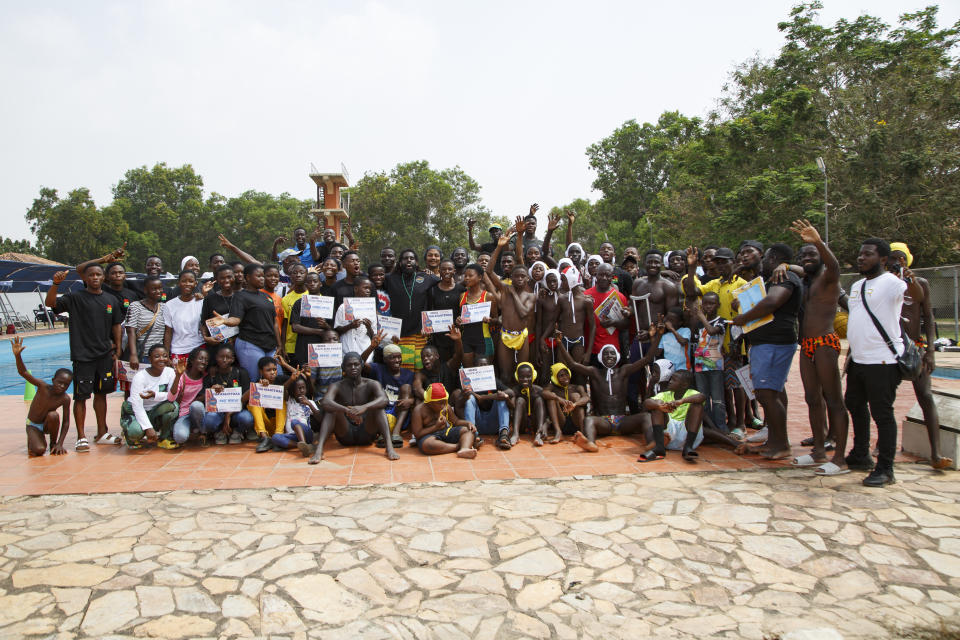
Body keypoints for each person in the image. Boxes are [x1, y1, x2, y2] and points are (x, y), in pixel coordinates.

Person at [845, 238, 924, 487]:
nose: (861, 258)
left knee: (882, 413)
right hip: (859, 360)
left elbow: (915, 296)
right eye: (860, 254)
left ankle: (886, 468)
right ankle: (861, 454)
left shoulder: (892, 283)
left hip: (883, 361)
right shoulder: (857, 285)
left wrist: (909, 279)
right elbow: (858, 318)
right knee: (854, 403)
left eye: (867, 254)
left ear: (882, 259)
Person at [784, 219, 850, 475]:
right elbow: (800, 270)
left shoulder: (829, 279)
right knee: (812, 398)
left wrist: (818, 242)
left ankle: (841, 458)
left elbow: (833, 264)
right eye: (803, 255)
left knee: (834, 399)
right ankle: (819, 450)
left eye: (811, 254)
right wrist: (787, 264)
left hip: (824, 343)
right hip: (807, 345)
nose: (807, 258)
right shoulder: (806, 282)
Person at [731, 243, 802, 461]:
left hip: (774, 342)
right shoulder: (769, 279)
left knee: (766, 393)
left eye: (768, 258)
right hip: (764, 342)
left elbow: (772, 302)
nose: (765, 263)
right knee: (771, 391)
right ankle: (774, 440)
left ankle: (781, 444)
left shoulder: (785, 275)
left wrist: (744, 317)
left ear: (774, 259)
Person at [888, 242, 951, 470]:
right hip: (890, 348)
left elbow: (928, 319)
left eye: (900, 259)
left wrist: (931, 351)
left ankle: (936, 453)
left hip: (915, 347)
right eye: (892, 258)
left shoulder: (919, 284)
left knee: (925, 395)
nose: (897, 263)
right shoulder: (884, 284)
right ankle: (882, 446)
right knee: (885, 399)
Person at [46, 266, 122, 450]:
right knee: (81, 397)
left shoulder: (111, 299)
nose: (95, 277)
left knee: (102, 394)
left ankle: (102, 432)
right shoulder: (75, 298)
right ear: (85, 278)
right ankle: (81, 436)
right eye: (91, 275)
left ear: (104, 277)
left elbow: (117, 326)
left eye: (98, 274)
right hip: (83, 356)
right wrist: (56, 284)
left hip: (104, 355)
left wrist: (118, 350)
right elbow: (50, 303)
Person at [555, 325, 662, 452]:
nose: (609, 356)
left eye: (612, 353)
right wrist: (560, 343)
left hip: (622, 421)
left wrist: (658, 335)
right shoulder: (595, 372)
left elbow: (647, 359)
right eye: (606, 354)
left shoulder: (623, 371)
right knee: (589, 419)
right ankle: (590, 443)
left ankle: (652, 442)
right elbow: (573, 364)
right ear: (601, 357)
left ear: (617, 356)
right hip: (603, 422)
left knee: (645, 417)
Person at [309, 352, 400, 463]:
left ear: (362, 365)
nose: (353, 367)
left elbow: (384, 400)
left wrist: (364, 407)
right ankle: (319, 451)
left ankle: (389, 448)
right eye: (349, 365)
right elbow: (326, 402)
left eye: (356, 364)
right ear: (343, 367)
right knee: (331, 410)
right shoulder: (336, 385)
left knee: (378, 407)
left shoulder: (372, 384)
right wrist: (347, 410)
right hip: (345, 434)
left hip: (366, 433)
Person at [641, 370, 743, 461]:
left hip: (687, 434)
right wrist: (659, 405)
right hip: (669, 434)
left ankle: (688, 447)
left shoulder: (691, 393)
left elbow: (701, 397)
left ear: (684, 385)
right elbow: (646, 403)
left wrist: (681, 401)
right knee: (656, 407)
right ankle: (659, 447)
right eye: (671, 379)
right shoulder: (666, 394)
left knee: (697, 407)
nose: (670, 381)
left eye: (674, 380)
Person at [209, 264, 282, 384]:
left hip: (270, 345)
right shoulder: (240, 296)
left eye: (263, 276)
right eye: (258, 276)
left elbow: (274, 322)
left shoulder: (267, 297)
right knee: (256, 380)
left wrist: (279, 345)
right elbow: (236, 319)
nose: (262, 279)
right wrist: (224, 321)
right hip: (250, 343)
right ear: (247, 277)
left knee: (276, 378)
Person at [11, 337, 73, 457]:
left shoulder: (65, 399)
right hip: (33, 424)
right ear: (53, 380)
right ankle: (33, 438)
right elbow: (23, 372)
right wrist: (18, 356)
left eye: (66, 385)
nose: (62, 386)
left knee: (53, 415)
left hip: (47, 424)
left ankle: (53, 444)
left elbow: (66, 422)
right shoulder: (43, 387)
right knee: (39, 450)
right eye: (59, 382)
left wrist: (60, 443)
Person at [488, 234, 536, 384]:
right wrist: (499, 247)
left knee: (522, 374)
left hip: (521, 335)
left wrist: (514, 293)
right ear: (511, 277)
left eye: (523, 276)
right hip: (506, 336)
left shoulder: (531, 296)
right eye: (517, 276)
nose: (520, 279)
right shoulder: (504, 287)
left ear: (527, 279)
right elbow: (489, 271)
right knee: (505, 375)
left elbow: (523, 313)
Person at [385, 249, 439, 370]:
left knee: (420, 369)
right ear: (400, 263)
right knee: (402, 370)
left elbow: (445, 283)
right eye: (405, 258)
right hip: (399, 333)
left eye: (412, 258)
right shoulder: (390, 279)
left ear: (417, 263)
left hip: (419, 332)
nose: (408, 260)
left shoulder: (426, 277)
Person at [121, 344, 179, 449]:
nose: (162, 359)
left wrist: (156, 395)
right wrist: (148, 428)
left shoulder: (170, 372)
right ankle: (130, 435)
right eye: (157, 356)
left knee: (173, 406)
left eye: (165, 356)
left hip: (156, 410)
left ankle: (164, 438)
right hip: (136, 411)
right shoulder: (140, 377)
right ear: (150, 359)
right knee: (135, 432)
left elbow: (172, 397)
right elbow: (137, 405)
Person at [363, 341, 415, 449]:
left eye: (399, 357)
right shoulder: (378, 369)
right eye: (392, 358)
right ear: (385, 360)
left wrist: (411, 401)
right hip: (381, 413)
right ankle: (383, 433)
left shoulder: (409, 374)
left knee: (406, 388)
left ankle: (396, 433)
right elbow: (360, 363)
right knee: (375, 392)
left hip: (399, 413)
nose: (397, 360)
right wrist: (372, 347)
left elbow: (416, 397)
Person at [202, 344, 256, 445]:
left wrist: (228, 414)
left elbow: (246, 397)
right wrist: (211, 390)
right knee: (209, 419)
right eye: (221, 357)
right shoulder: (212, 375)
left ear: (233, 359)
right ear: (216, 357)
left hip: (236, 412)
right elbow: (203, 399)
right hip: (218, 413)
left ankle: (238, 431)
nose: (224, 360)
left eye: (228, 357)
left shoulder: (241, 373)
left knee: (247, 418)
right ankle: (218, 432)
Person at [691, 292, 727, 434]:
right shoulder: (699, 323)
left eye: (711, 303)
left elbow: (712, 331)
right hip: (700, 365)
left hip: (715, 364)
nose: (708, 306)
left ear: (718, 305)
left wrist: (701, 316)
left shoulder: (721, 321)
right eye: (705, 303)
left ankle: (721, 428)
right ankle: (708, 428)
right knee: (703, 398)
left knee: (717, 399)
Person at [412, 383, 479, 458]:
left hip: (445, 433)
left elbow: (456, 422)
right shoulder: (419, 410)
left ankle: (464, 449)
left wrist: (468, 423)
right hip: (429, 436)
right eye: (440, 403)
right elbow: (417, 434)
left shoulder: (446, 406)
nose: (444, 405)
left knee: (469, 431)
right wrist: (435, 427)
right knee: (428, 445)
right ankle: (459, 446)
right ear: (430, 402)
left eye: (445, 401)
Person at [462, 354, 513, 446]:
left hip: (493, 422)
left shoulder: (493, 380)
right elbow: (461, 398)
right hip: (476, 424)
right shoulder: (468, 381)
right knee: (469, 399)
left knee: (501, 397)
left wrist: (485, 397)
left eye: (485, 365)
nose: (483, 368)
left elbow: (511, 392)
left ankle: (504, 435)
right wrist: (472, 394)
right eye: (480, 365)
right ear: (474, 367)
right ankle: (473, 436)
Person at [584, 263, 630, 364]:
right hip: (590, 349)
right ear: (596, 275)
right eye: (601, 275)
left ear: (612, 277)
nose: (604, 278)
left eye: (607, 275)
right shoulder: (586, 295)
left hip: (611, 350)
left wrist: (613, 322)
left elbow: (626, 325)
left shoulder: (620, 297)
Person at [163, 270, 207, 365]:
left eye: (190, 281)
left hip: (199, 348)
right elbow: (168, 332)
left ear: (195, 283)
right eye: (184, 281)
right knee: (180, 379)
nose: (187, 284)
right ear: (179, 283)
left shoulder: (201, 302)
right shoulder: (169, 305)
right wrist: (166, 354)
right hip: (178, 350)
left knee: (197, 379)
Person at [289, 271, 332, 366]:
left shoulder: (327, 303)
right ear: (306, 285)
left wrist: (326, 326)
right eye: (309, 282)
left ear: (320, 284)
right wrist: (318, 331)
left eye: (315, 281)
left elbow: (333, 329)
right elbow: (295, 327)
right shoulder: (299, 303)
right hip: (303, 347)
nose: (312, 284)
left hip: (323, 347)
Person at [457, 264, 497, 368]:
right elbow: (461, 323)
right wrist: (458, 321)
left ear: (479, 277)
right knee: (468, 373)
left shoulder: (488, 296)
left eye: (470, 275)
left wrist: (490, 320)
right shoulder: (462, 296)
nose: (466, 278)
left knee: (484, 375)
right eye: (465, 276)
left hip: (484, 340)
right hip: (466, 340)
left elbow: (497, 319)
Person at [168, 347, 208, 446]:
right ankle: (191, 430)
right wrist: (178, 376)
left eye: (206, 360)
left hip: (199, 413)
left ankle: (203, 432)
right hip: (183, 414)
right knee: (180, 437)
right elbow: (171, 397)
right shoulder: (182, 376)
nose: (203, 362)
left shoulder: (206, 377)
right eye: (200, 358)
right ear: (192, 360)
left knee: (196, 405)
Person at [426, 260, 465, 363]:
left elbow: (464, 312)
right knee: (441, 366)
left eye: (450, 269)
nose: (447, 271)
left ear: (454, 271)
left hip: (456, 335)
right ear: (439, 271)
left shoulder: (461, 290)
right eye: (443, 269)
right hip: (438, 337)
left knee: (455, 366)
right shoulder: (433, 290)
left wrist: (461, 320)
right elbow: (428, 310)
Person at [541, 362, 587, 443]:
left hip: (576, 421)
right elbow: (544, 393)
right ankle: (558, 432)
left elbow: (586, 398)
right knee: (551, 397)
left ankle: (583, 433)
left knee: (575, 396)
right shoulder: (553, 387)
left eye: (566, 374)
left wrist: (574, 404)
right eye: (561, 376)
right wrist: (559, 399)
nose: (565, 377)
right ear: (555, 377)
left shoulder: (577, 387)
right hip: (562, 422)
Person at [272, 375, 317, 455]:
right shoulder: (289, 400)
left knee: (294, 422)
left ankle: (303, 442)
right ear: (293, 391)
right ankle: (304, 447)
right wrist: (291, 379)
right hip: (292, 436)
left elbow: (320, 417)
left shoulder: (309, 402)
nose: (302, 390)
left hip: (307, 434)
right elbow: (281, 391)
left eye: (304, 388)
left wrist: (310, 405)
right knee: (275, 437)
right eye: (299, 388)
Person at [334, 277, 376, 360]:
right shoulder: (344, 307)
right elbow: (337, 330)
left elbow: (373, 335)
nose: (368, 291)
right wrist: (350, 326)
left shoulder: (371, 309)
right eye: (365, 288)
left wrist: (369, 327)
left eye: (369, 289)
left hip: (365, 349)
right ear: (356, 289)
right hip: (347, 348)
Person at [508, 362, 547, 447]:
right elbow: (512, 407)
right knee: (520, 400)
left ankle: (539, 434)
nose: (525, 379)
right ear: (517, 377)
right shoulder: (515, 390)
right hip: (522, 423)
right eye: (522, 377)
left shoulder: (538, 390)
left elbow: (545, 411)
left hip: (535, 423)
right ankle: (516, 434)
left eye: (528, 376)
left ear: (533, 376)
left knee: (539, 400)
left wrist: (544, 426)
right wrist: (507, 398)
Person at [200, 265, 237, 351]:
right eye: (222, 278)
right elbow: (203, 322)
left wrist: (235, 339)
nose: (226, 280)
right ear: (217, 280)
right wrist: (206, 337)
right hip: (216, 345)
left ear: (234, 277)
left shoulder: (241, 297)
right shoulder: (210, 299)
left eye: (229, 277)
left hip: (237, 345)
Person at [280, 263, 309, 362]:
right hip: (291, 346)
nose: (298, 275)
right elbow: (284, 325)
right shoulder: (285, 299)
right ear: (290, 276)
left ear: (307, 275)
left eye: (301, 272)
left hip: (308, 344)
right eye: (295, 273)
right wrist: (283, 347)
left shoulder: (314, 296)